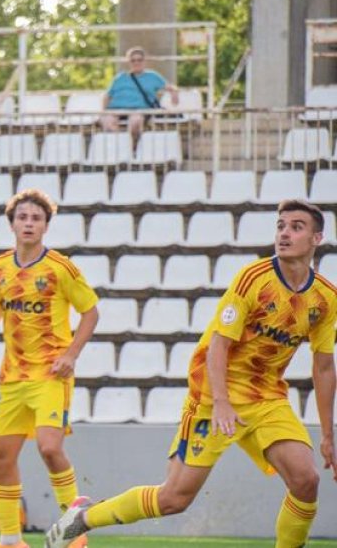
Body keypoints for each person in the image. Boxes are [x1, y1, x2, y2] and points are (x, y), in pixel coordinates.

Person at [47, 199, 337, 548]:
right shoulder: (253, 279)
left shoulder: (325, 298)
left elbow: (323, 366)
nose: (285, 233)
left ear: (316, 238)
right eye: (280, 226)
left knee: (306, 480)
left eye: (296, 227)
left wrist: (326, 434)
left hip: (267, 398)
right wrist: (221, 402)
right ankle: (83, 518)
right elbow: (218, 346)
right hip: (213, 394)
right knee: (174, 499)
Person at [0, 189, 99, 548]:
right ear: (11, 224)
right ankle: (11, 540)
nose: (29, 223)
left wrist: (71, 354)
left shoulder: (61, 268)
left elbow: (90, 312)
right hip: (12, 379)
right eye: (22, 217)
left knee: (49, 448)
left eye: (36, 218)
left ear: (45, 226)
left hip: (51, 375)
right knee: (0, 456)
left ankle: (74, 533)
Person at [101, 46, 180, 140]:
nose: (136, 63)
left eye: (139, 60)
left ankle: (133, 148)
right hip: (117, 109)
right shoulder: (120, 77)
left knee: (135, 122)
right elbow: (108, 95)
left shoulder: (152, 76)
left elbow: (170, 87)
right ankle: (120, 145)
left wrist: (174, 93)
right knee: (108, 122)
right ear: (129, 62)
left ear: (144, 61)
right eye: (133, 60)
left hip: (139, 109)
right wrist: (103, 111)